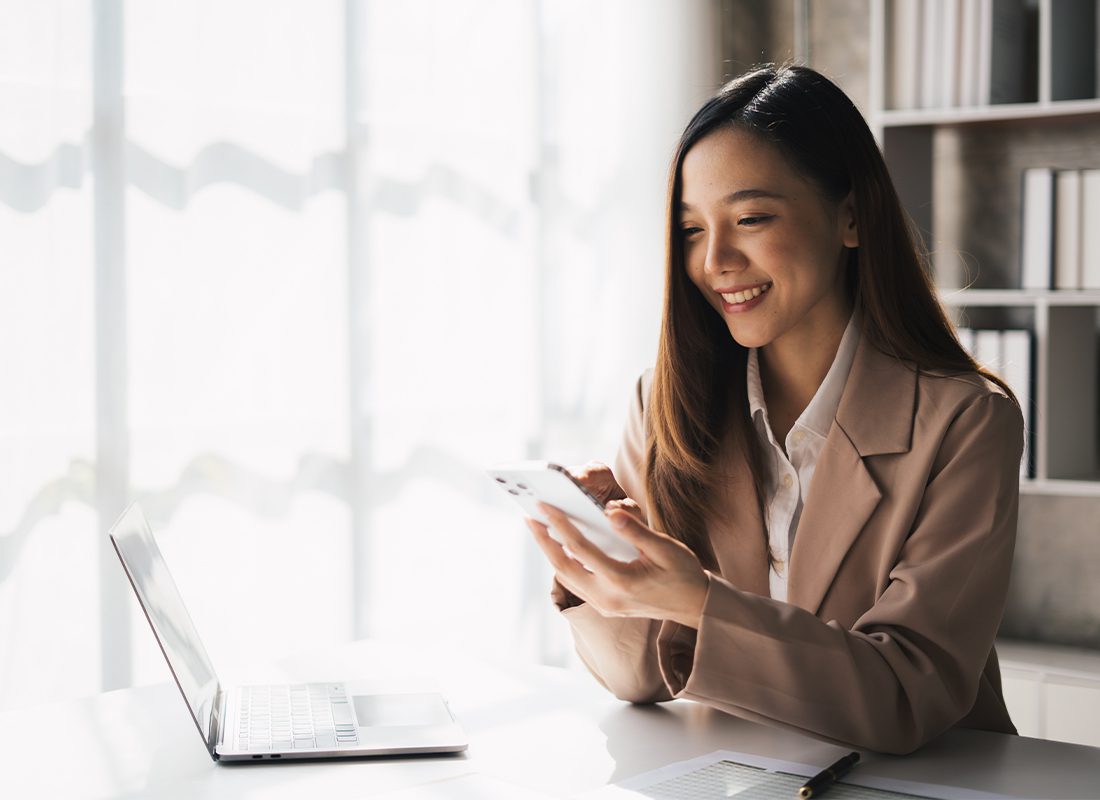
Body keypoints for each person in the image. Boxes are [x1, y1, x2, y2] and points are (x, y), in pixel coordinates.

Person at [526, 63, 1024, 755]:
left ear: (850, 216)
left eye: (751, 218)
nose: (716, 260)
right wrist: (603, 566)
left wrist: (696, 602)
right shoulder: (666, 402)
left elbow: (909, 695)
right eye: (692, 229)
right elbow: (637, 677)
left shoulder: (966, 421)